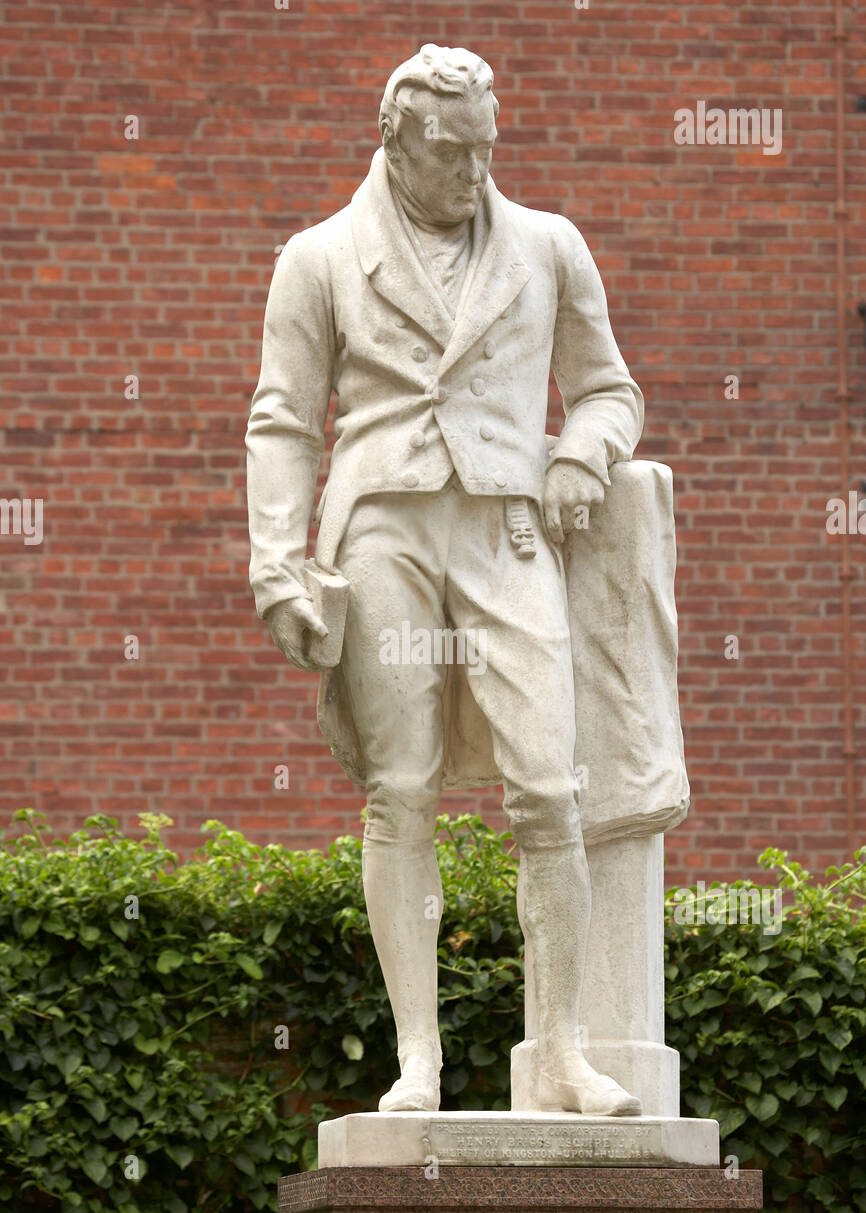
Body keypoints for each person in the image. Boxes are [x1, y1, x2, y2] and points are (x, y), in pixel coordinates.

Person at [245, 45, 645, 1115]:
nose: (473, 172)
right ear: (395, 140)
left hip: (506, 529)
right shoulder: (320, 257)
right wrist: (279, 565)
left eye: (484, 149)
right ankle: (416, 1056)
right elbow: (283, 419)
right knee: (401, 788)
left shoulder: (547, 246)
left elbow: (608, 391)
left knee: (550, 788)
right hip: (382, 531)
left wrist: (576, 453)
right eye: (450, 153)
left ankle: (558, 1052)